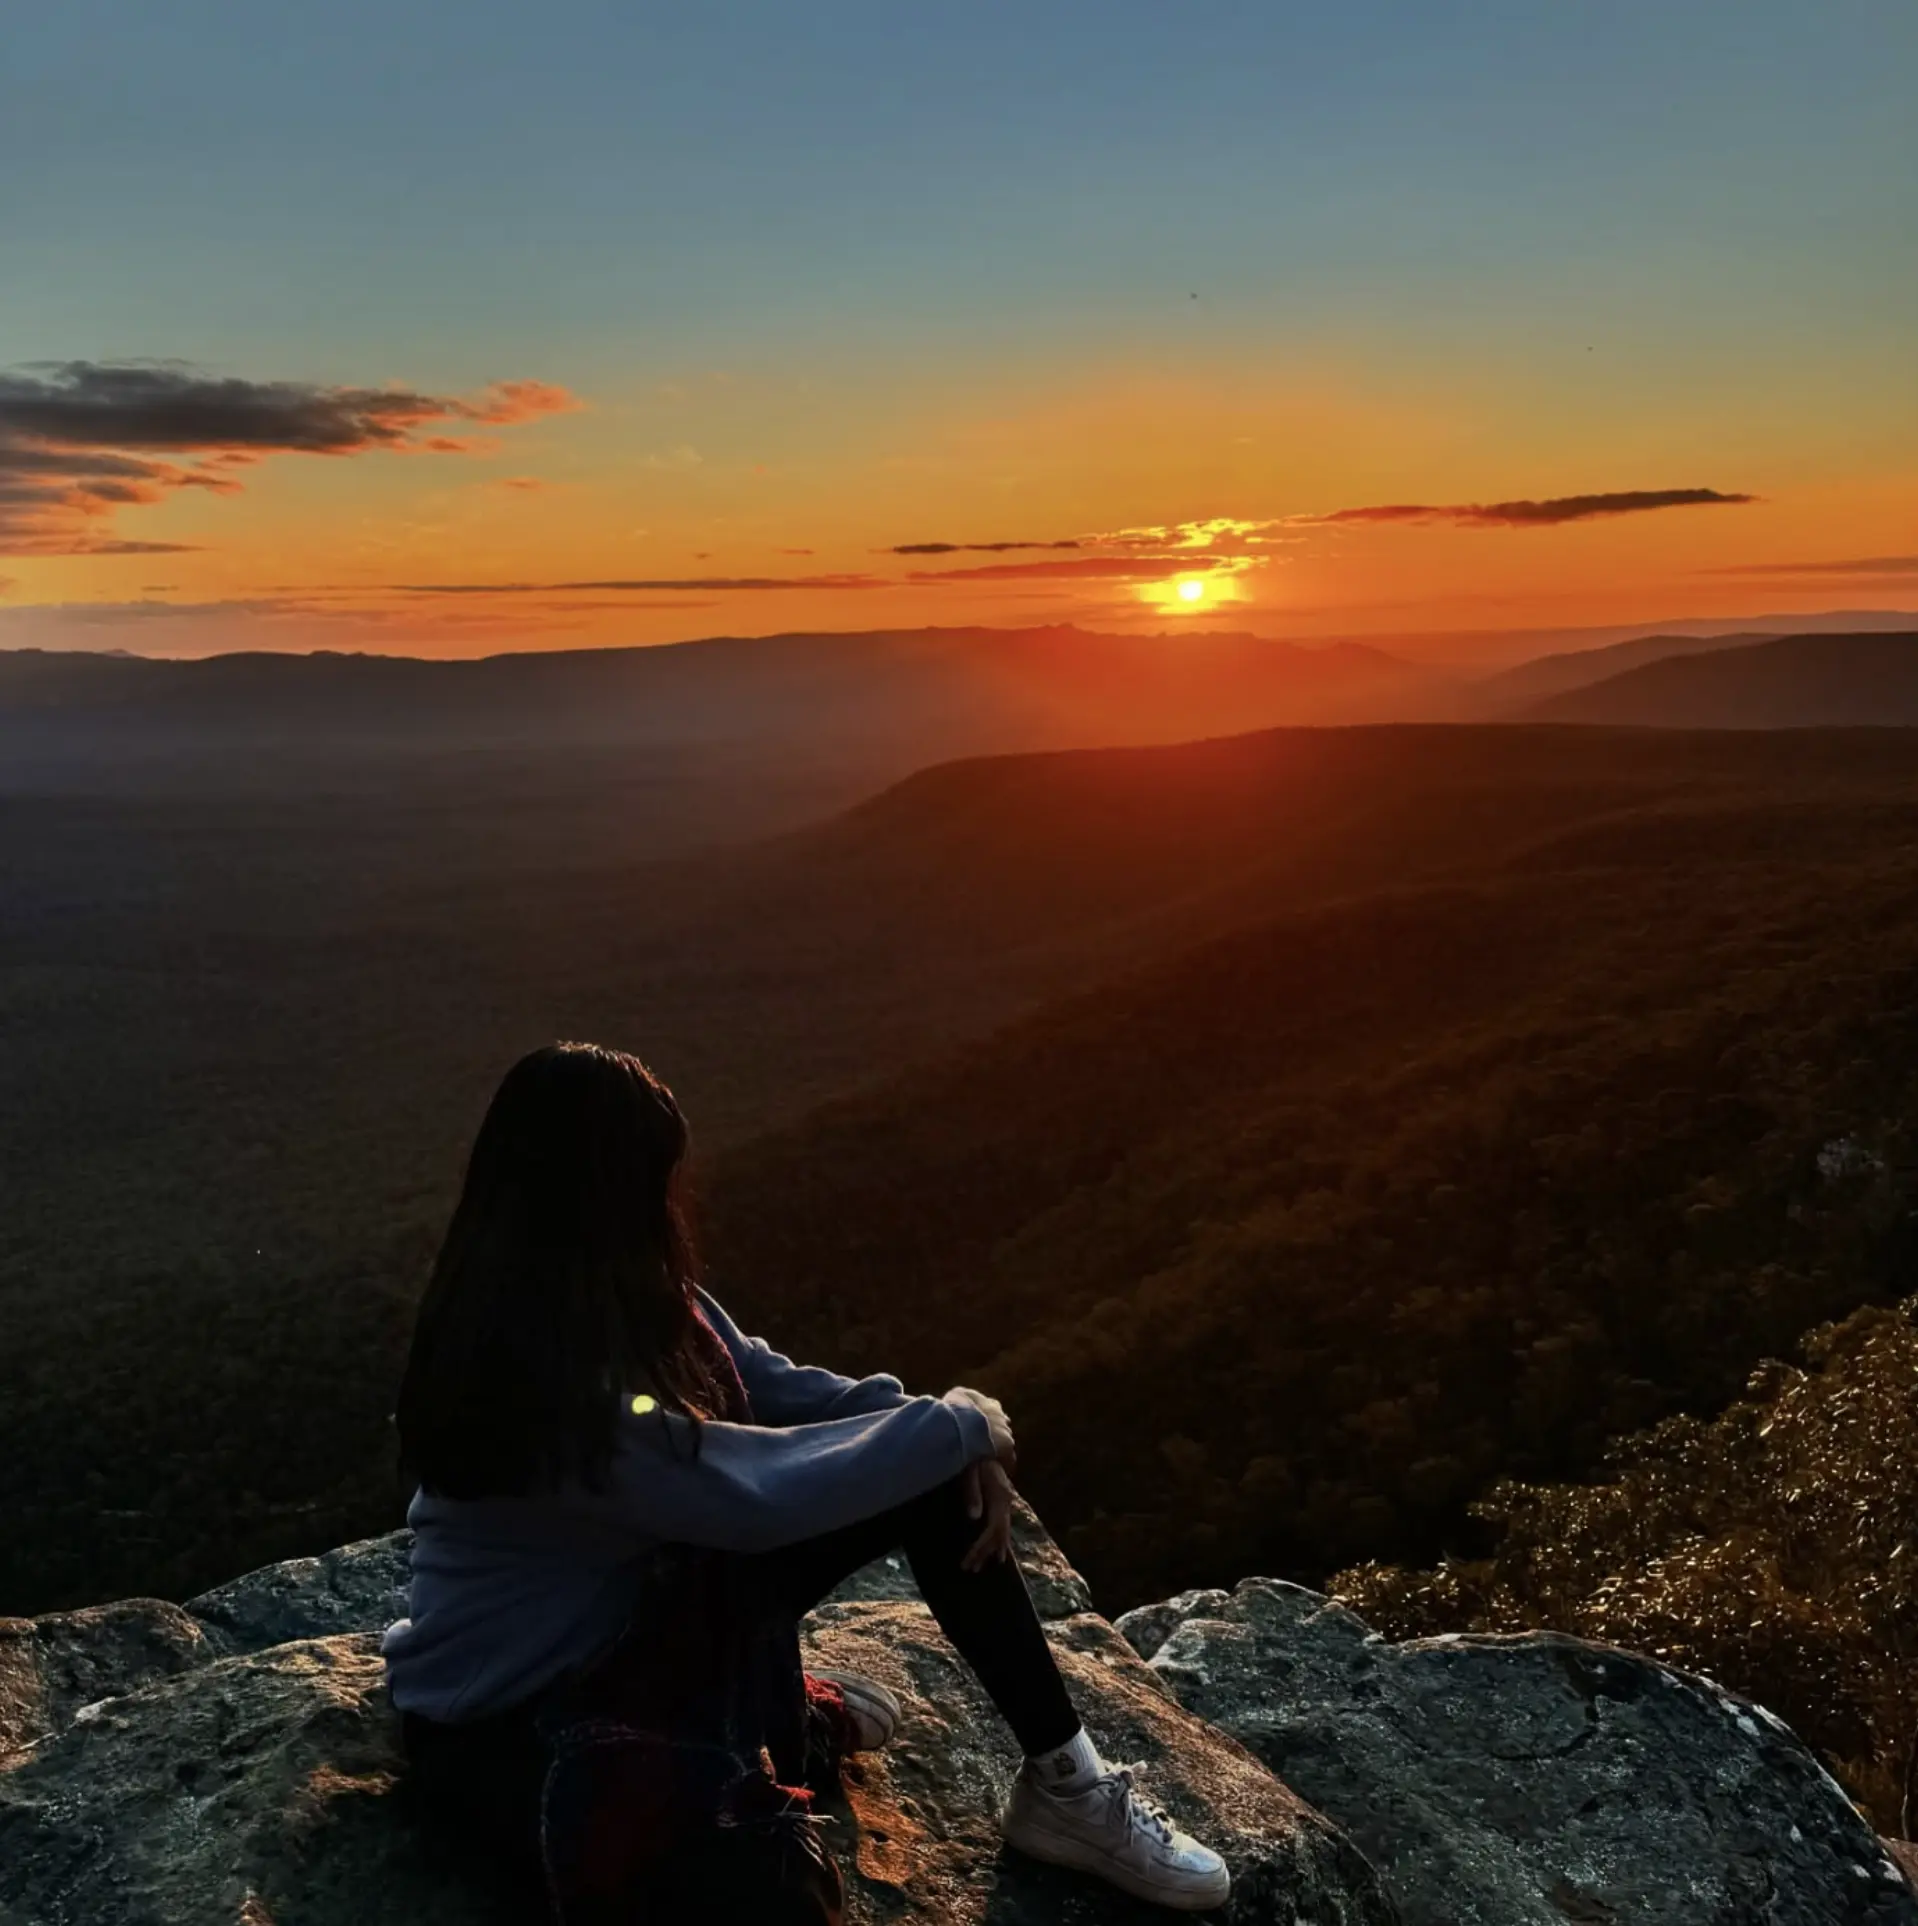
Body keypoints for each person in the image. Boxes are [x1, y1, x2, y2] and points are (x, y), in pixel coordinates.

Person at [384, 1042, 1230, 1922]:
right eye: (651, 1182)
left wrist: (935, 1424)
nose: (666, 1207)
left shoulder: (619, 1298)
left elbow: (774, 1386)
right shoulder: (537, 1380)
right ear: (602, 1193)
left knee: (932, 1478)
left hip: (627, 1623)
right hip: (516, 1716)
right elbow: (744, 1494)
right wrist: (954, 1427)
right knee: (774, 1891)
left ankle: (1068, 1789)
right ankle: (766, 1714)